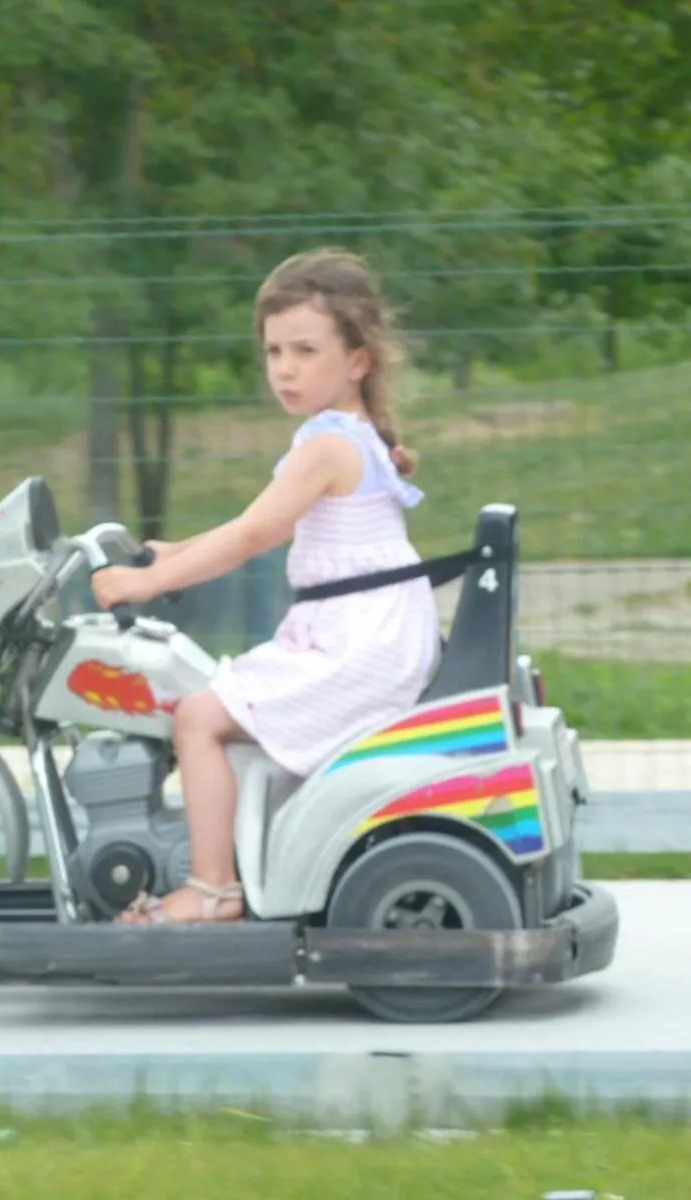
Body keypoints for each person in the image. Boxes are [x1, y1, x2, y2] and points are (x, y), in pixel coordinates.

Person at [89, 246, 442, 925]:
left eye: (306, 351)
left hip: (357, 646)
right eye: (274, 351)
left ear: (358, 360)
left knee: (197, 717)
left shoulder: (328, 446)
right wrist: (176, 549)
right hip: (365, 633)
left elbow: (253, 537)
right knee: (214, 710)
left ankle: (212, 889)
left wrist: (147, 582)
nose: (284, 368)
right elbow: (260, 520)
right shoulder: (342, 437)